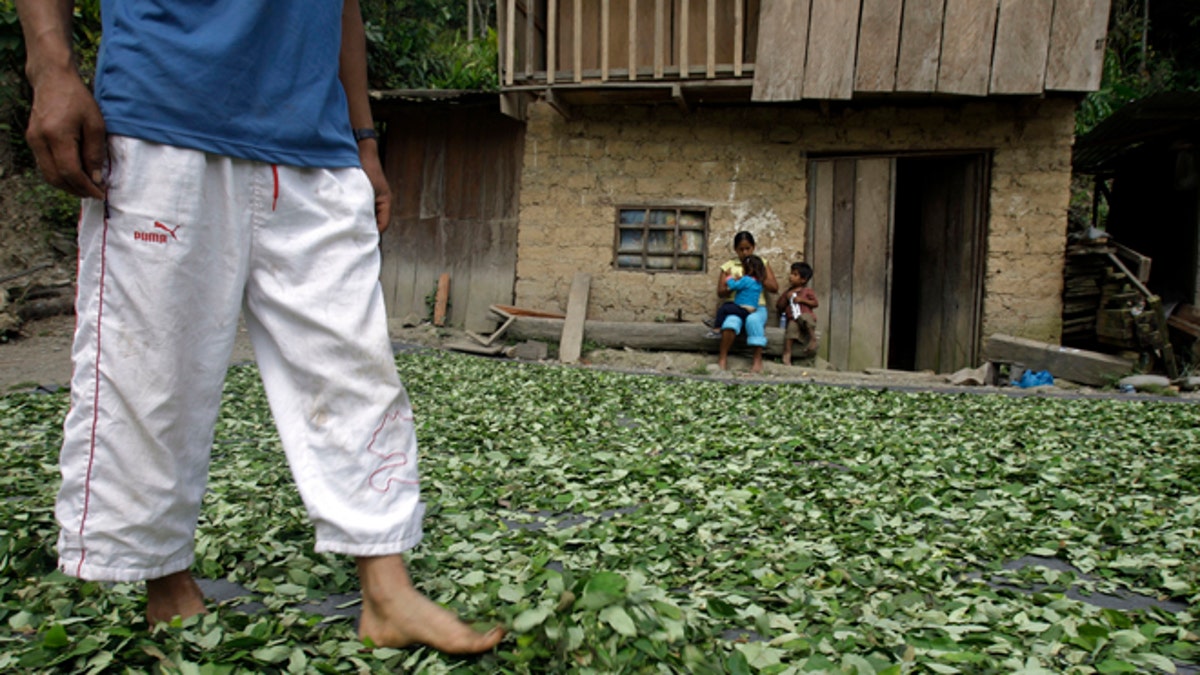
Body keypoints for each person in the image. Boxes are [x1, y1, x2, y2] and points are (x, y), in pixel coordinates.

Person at [15, 0, 503, 655]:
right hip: (164, 116)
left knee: (354, 366)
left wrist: (364, 141)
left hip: (314, 138)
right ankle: (169, 588)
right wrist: (50, 67)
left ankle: (387, 590)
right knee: (155, 369)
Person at [714, 232, 778, 372]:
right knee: (730, 323)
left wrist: (757, 275)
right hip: (736, 306)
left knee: (753, 321)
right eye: (741, 249)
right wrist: (735, 284)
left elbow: (774, 288)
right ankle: (723, 358)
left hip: (758, 307)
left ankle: (757, 360)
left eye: (748, 248)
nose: (745, 252)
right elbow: (720, 292)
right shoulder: (728, 266)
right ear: (735, 249)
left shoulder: (761, 263)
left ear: (753, 247)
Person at [775, 262, 819, 366]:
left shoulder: (807, 291)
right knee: (790, 330)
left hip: (805, 316)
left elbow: (815, 303)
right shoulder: (788, 292)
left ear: (803, 280)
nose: (791, 276)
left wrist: (802, 300)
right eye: (791, 273)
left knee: (805, 318)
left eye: (795, 274)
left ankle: (813, 339)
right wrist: (786, 298)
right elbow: (779, 306)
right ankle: (787, 353)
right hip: (793, 319)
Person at [712, 254, 766, 331]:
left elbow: (733, 286)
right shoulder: (758, 282)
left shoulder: (746, 280)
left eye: (744, 268)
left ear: (749, 270)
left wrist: (729, 277)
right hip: (752, 309)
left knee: (724, 308)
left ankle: (717, 328)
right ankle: (719, 321)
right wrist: (741, 280)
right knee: (729, 306)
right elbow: (748, 287)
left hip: (743, 308)